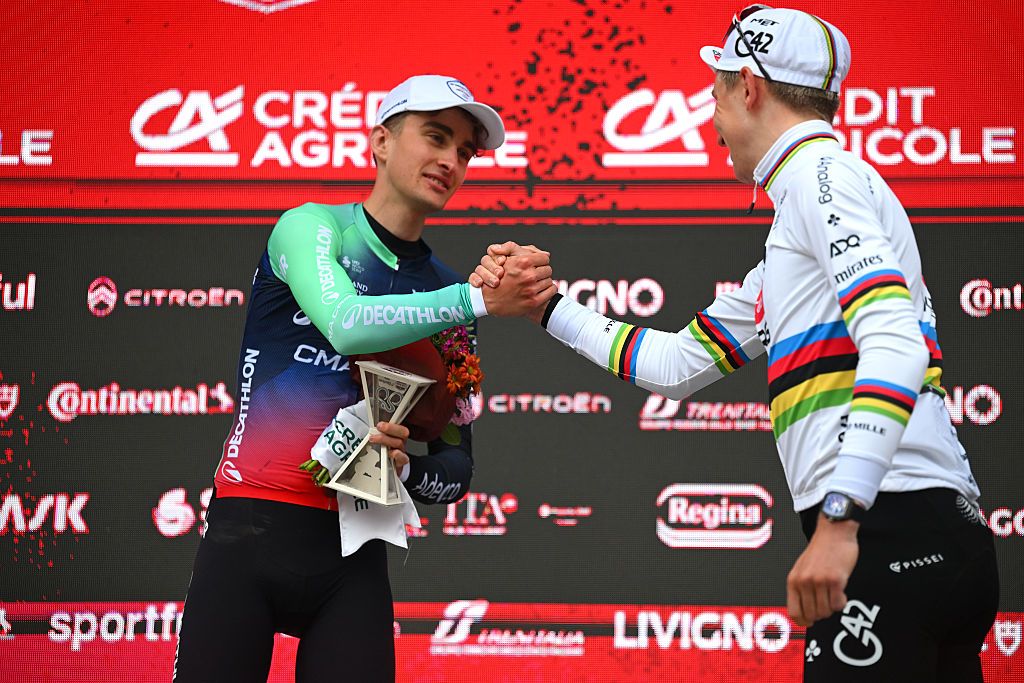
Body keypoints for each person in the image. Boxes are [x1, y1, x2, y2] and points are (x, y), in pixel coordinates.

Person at [472, 7, 998, 681]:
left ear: (749, 87)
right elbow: (674, 365)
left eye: (716, 91)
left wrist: (840, 524)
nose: (711, 115)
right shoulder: (794, 236)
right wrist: (547, 307)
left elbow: (894, 342)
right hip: (932, 532)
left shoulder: (819, 176)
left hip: (885, 530)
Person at [173, 74, 555, 683]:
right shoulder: (310, 228)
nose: (451, 160)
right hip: (249, 534)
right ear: (380, 141)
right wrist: (476, 300)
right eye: (436, 137)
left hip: (353, 558)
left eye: (465, 151)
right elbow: (347, 323)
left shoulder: (451, 297)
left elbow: (457, 466)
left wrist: (408, 471)